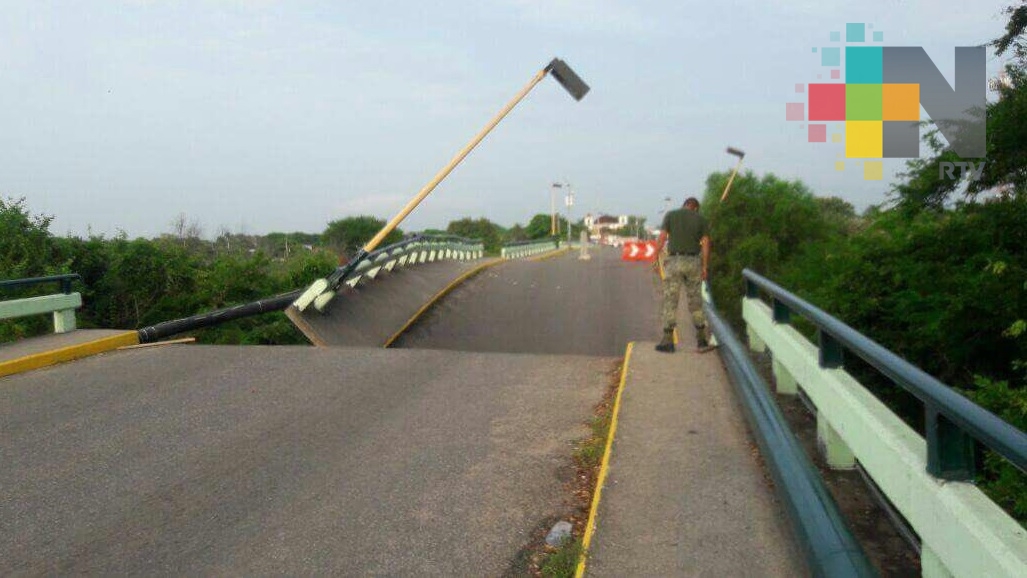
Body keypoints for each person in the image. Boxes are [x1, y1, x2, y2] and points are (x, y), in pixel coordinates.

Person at [653, 196, 711, 353]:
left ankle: (667, 341)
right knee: (695, 302)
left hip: (674, 262)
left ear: (684, 204)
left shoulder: (671, 215)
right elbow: (705, 244)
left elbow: (662, 238)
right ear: (696, 208)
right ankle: (701, 340)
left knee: (671, 300)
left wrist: (655, 258)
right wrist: (705, 266)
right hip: (693, 263)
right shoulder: (701, 219)